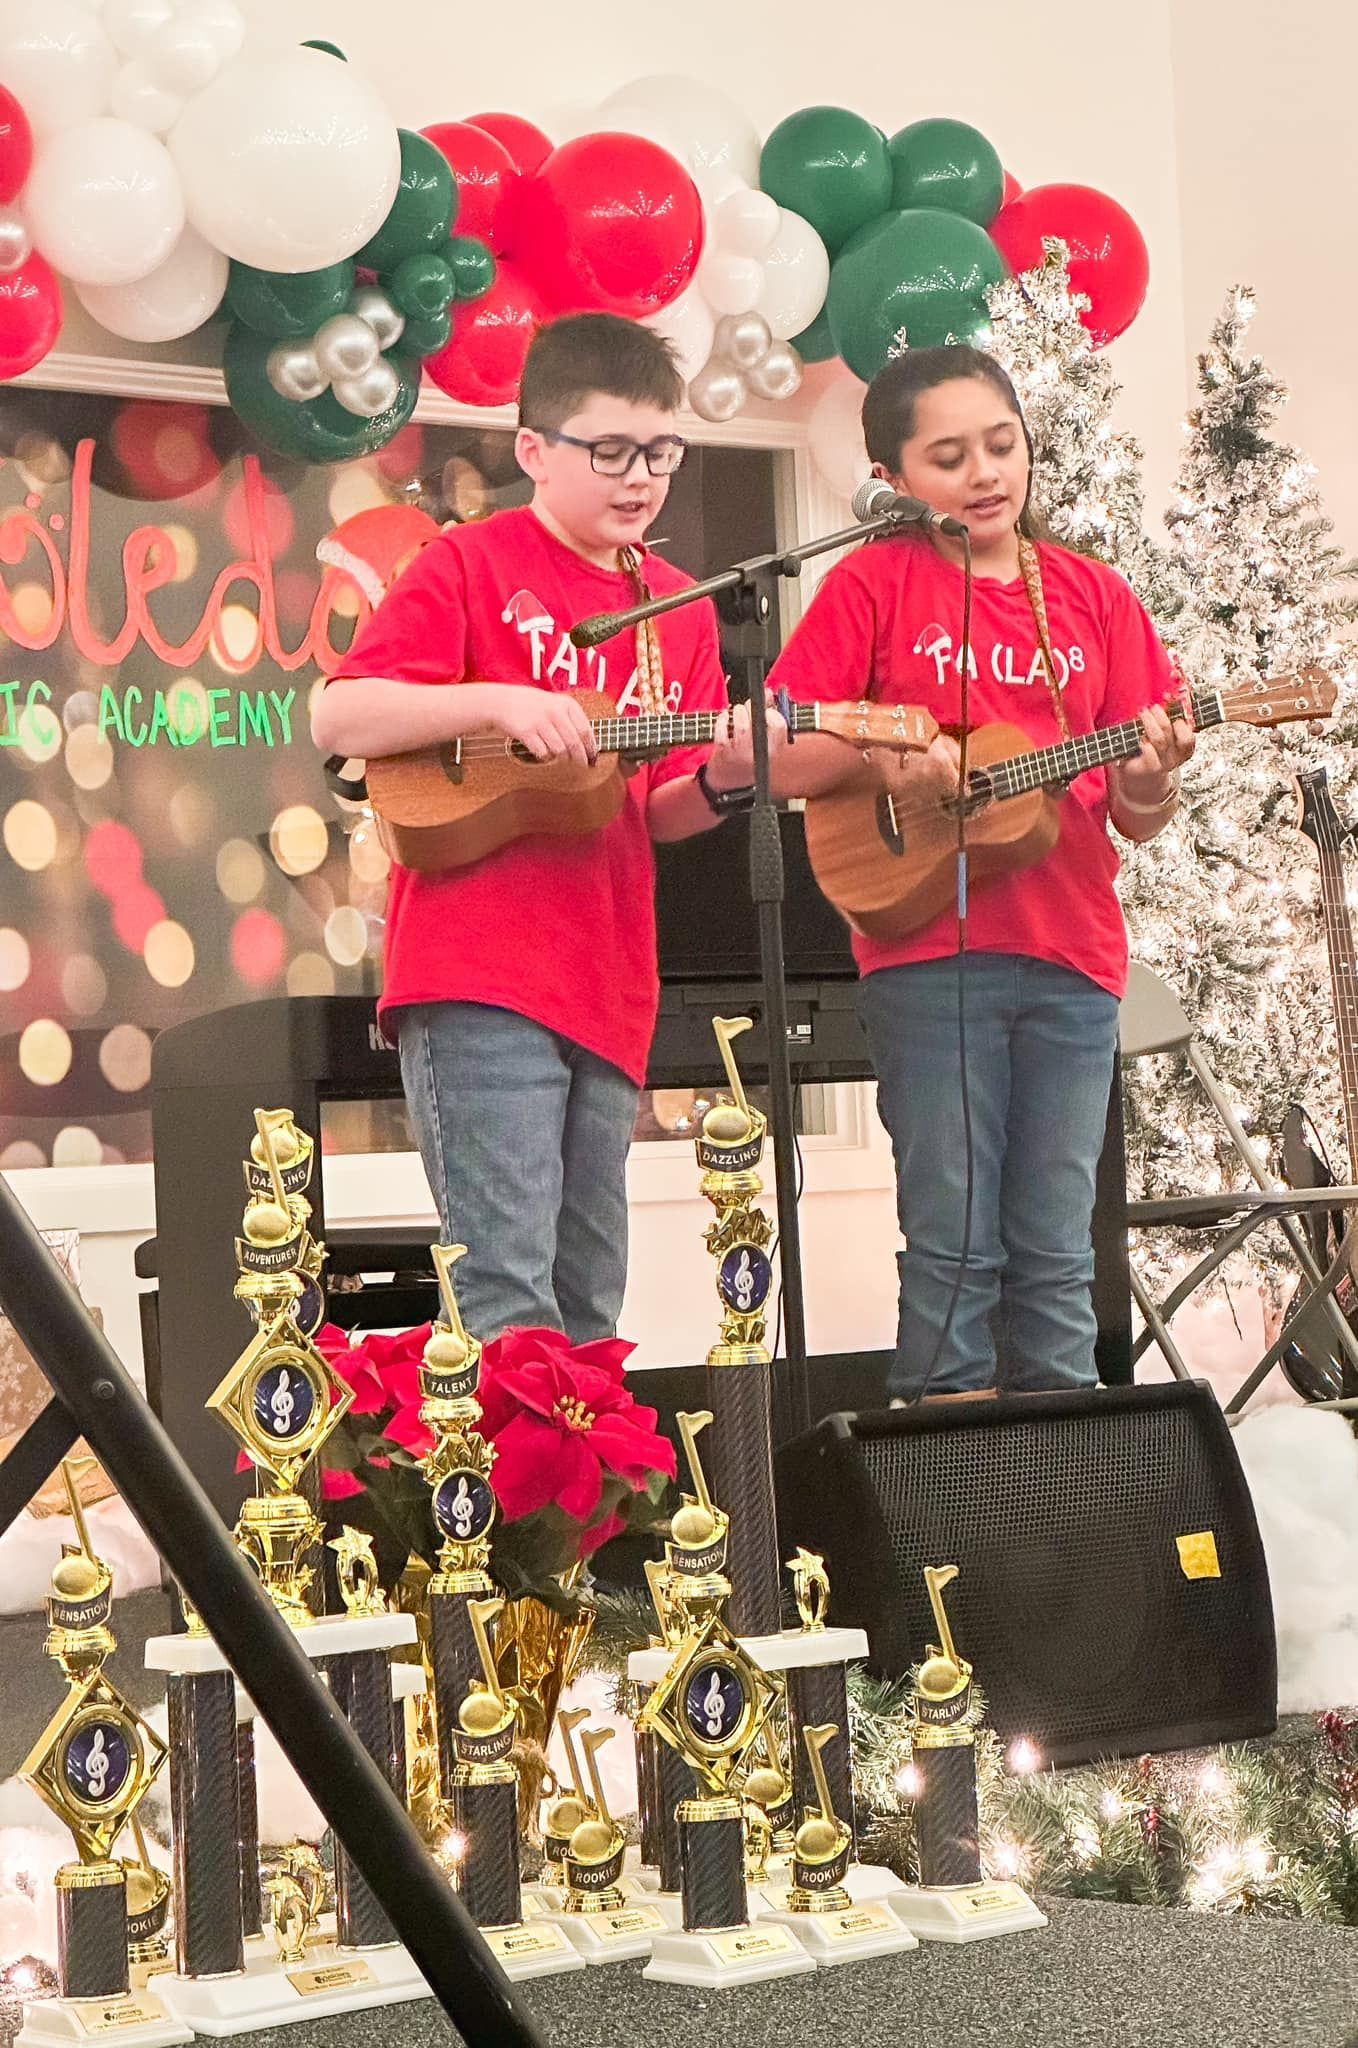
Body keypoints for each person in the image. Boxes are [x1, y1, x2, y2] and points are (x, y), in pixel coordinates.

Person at [313, 312, 782, 1342]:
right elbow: (338, 715)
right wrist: (496, 702)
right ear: (533, 450)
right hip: (478, 972)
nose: (639, 478)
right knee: (505, 1293)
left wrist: (725, 774)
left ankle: (587, 1507)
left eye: (659, 453)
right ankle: (506, 1509)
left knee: (586, 1298)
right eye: (609, 451)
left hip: (608, 978)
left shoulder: (677, 604)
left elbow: (652, 809)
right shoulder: (467, 565)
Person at [770, 345, 1193, 1402]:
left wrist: (1151, 772)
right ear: (896, 475)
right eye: (948, 455)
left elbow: (1134, 813)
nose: (985, 473)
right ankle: (944, 1516)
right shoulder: (872, 581)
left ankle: (1045, 1514)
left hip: (1072, 958)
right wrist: (888, 753)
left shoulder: (1091, 597)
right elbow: (776, 741)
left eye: (1000, 445)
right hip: (924, 950)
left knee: (1057, 1253)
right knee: (953, 1242)